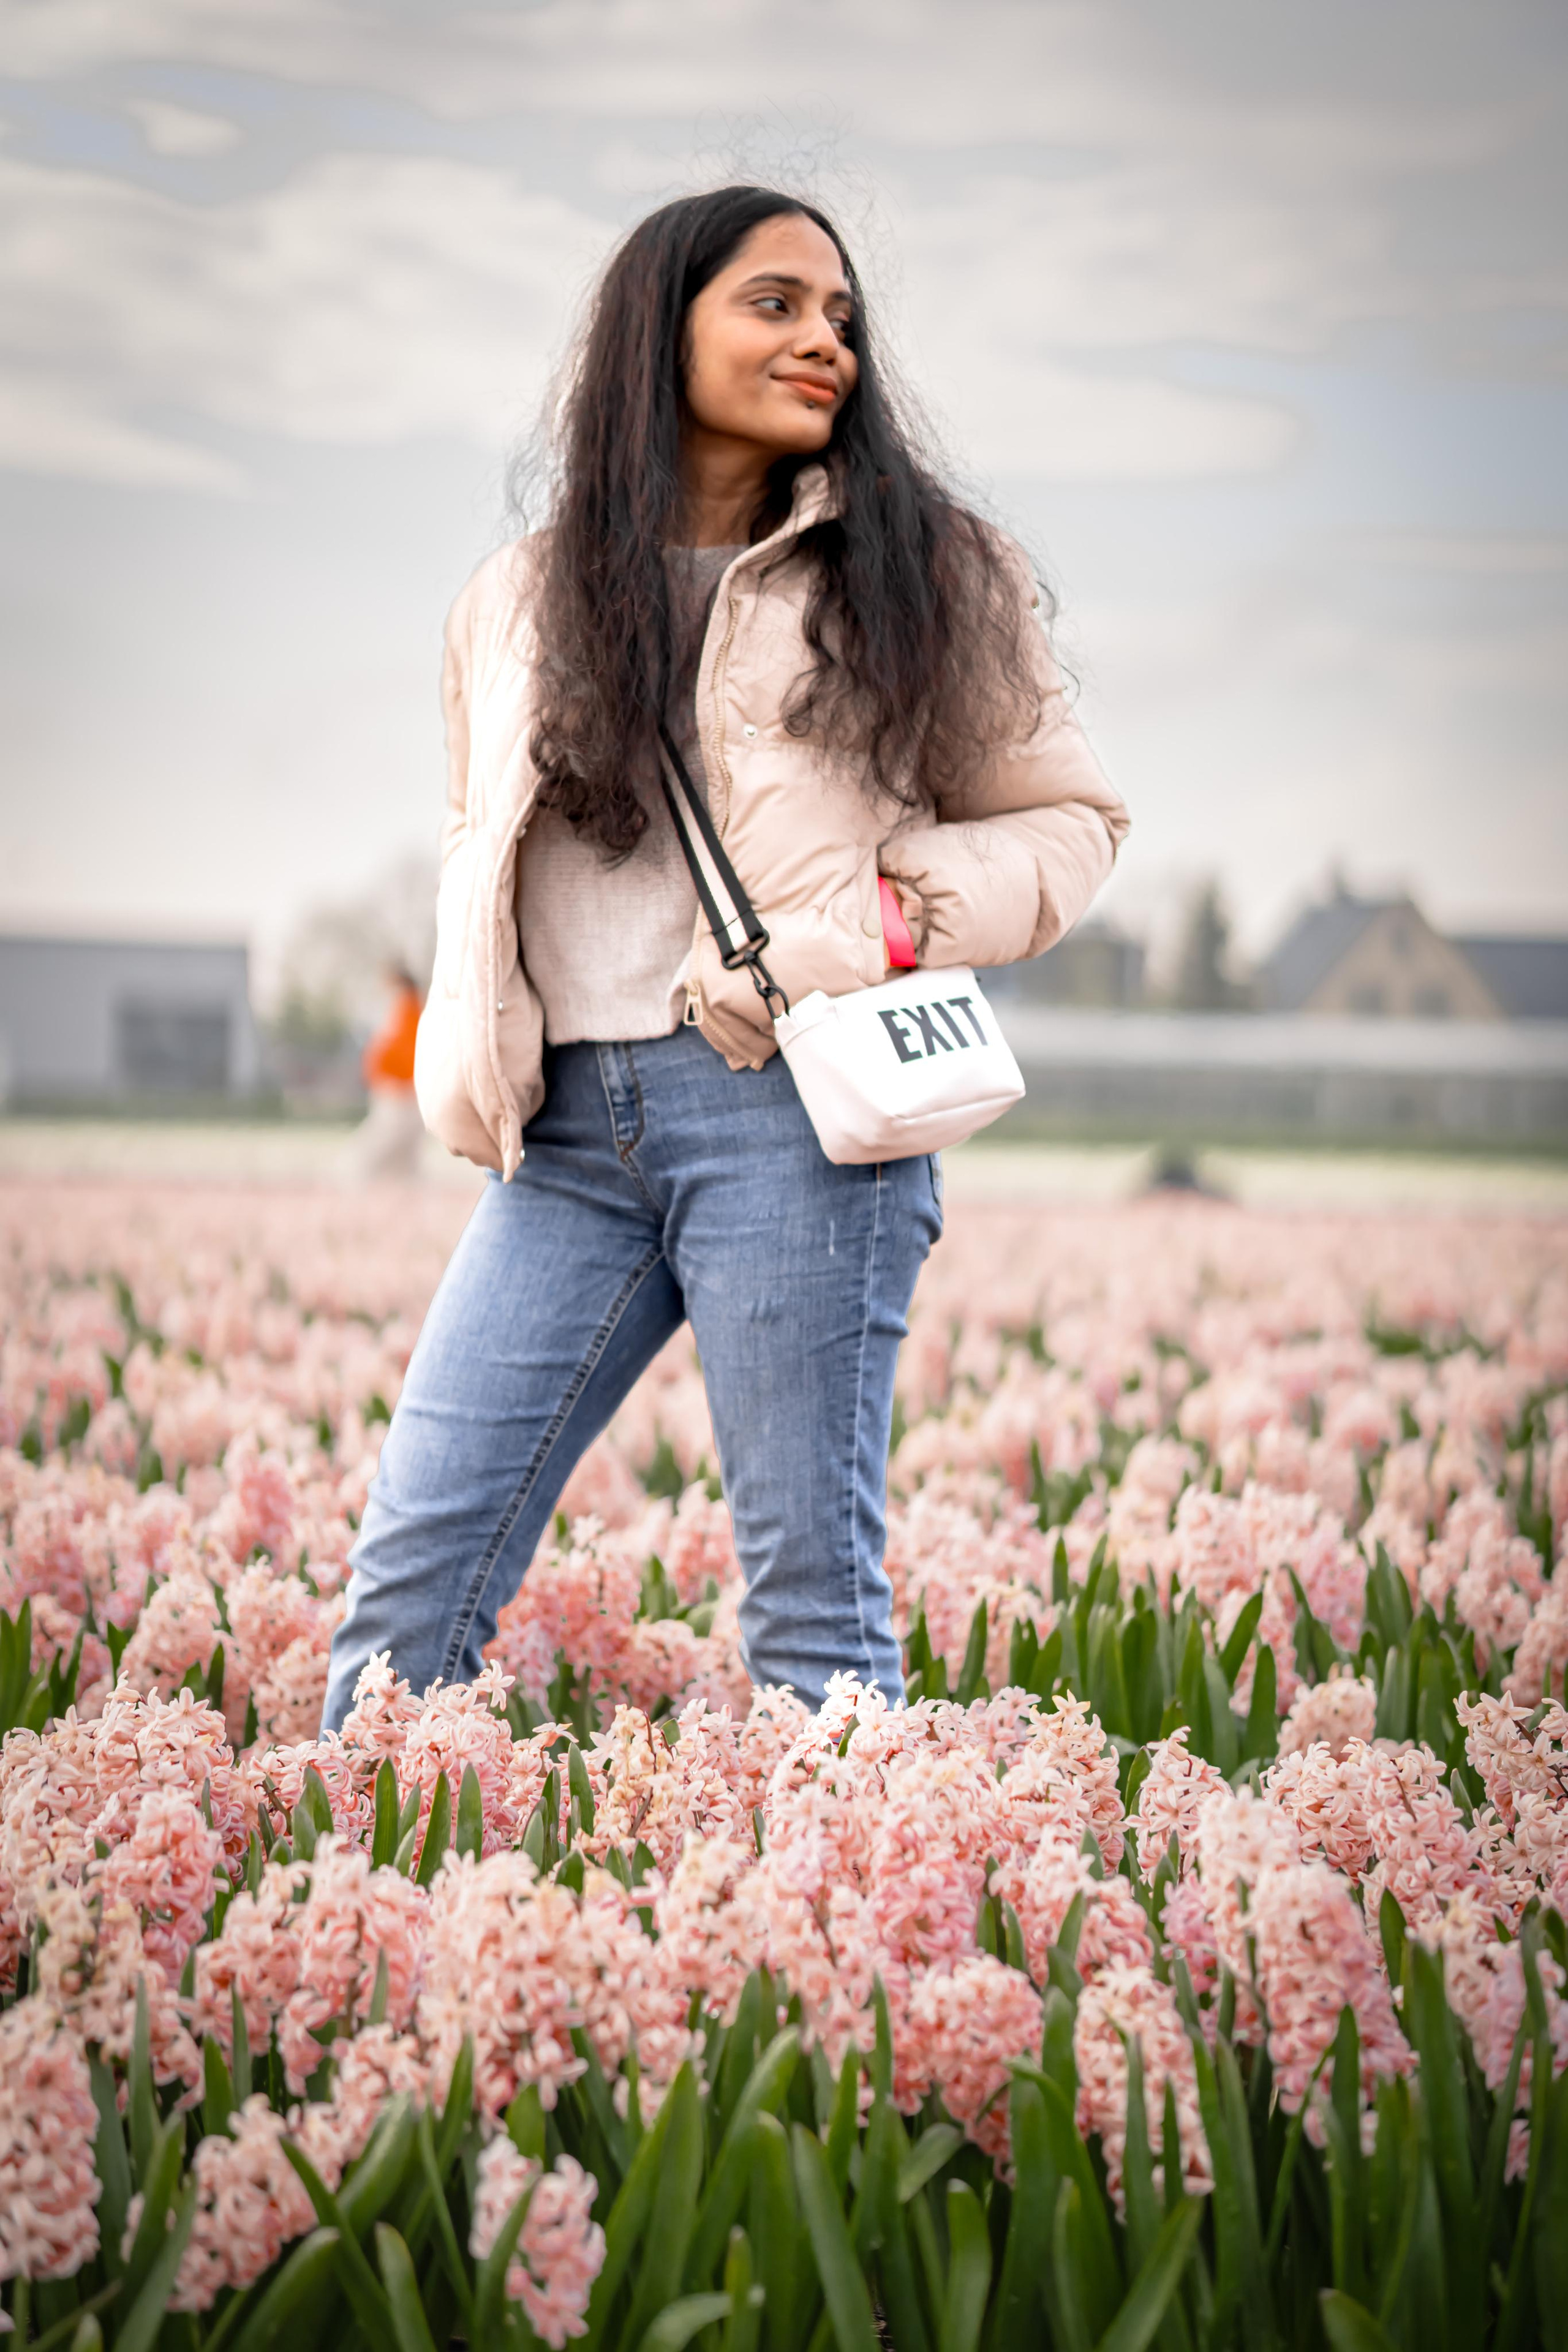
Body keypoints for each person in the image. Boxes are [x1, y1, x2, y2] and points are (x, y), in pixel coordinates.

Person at [321, 185, 1128, 1730]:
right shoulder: (511, 599)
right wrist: (466, 1060)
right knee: (407, 1592)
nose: (821, 335)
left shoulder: (916, 566)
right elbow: (468, 843)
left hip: (794, 1121)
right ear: (659, 326)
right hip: (557, 1141)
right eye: (773, 302)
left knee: (811, 1625)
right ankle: (377, 1946)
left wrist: (886, 922)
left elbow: (1070, 823)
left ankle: (851, 1956)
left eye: (840, 314)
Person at [348, 962, 425, 1180]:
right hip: (399, 1088)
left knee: (381, 1150)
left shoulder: (407, 1007)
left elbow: (399, 1050)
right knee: (403, 1159)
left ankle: (356, 1181)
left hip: (401, 1091)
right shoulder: (405, 1007)